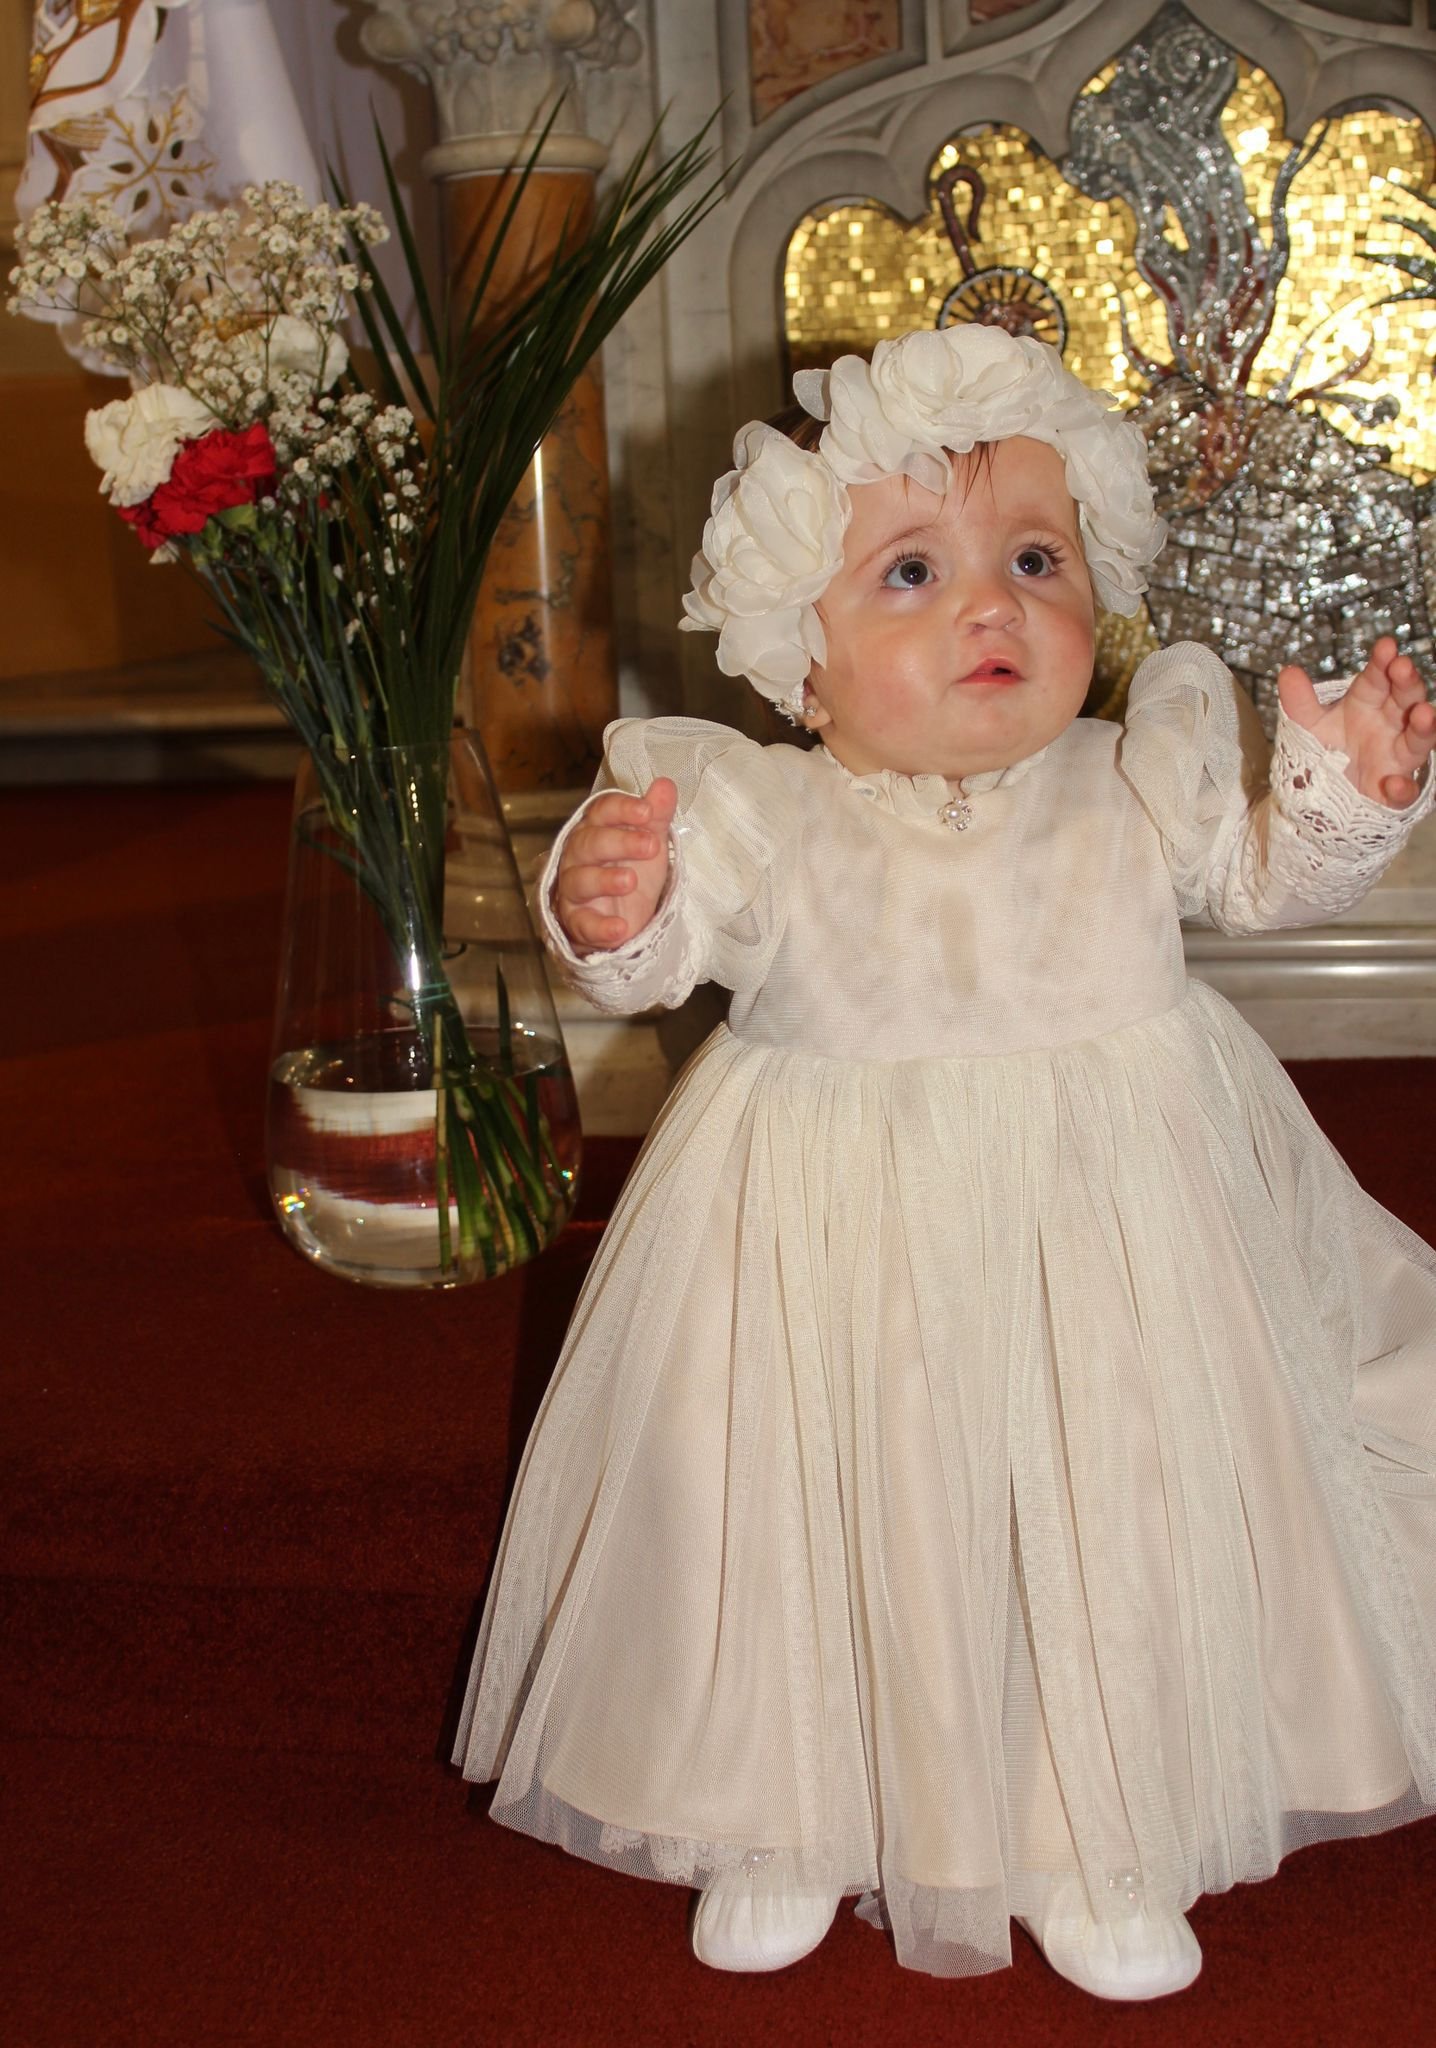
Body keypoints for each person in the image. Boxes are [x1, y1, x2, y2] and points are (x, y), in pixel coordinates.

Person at [451, 327, 1436, 2001]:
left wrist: (1352, 793)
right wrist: (612, 903)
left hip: (1112, 1239)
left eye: (1035, 560)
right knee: (802, 1506)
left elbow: (1265, 879)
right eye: (912, 571)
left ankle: (1100, 1827)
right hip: (834, 1245)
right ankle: (782, 1812)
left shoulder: (1135, 773)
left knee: (1115, 1501)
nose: (993, 606)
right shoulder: (760, 808)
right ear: (804, 657)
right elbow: (649, 960)